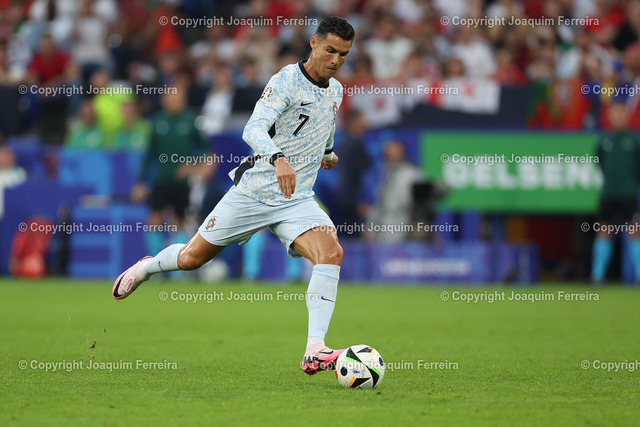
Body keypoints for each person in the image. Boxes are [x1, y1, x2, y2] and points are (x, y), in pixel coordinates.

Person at [113, 17, 355, 376]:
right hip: (253, 193)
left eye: (344, 54)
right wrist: (278, 158)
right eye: (330, 50)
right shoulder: (286, 80)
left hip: (297, 198)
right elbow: (253, 128)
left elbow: (325, 130)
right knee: (192, 258)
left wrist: (328, 154)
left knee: (331, 253)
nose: (335, 60)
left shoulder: (335, 91)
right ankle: (146, 267)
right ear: (314, 43)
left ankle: (315, 349)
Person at [591, 101, 640, 283]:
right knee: (604, 230)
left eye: (622, 115)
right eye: (615, 115)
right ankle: (598, 275)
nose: (618, 118)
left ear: (627, 117)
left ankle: (638, 274)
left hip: (628, 193)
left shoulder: (634, 141)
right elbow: (600, 164)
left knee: (633, 230)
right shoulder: (604, 142)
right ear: (609, 117)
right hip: (608, 194)